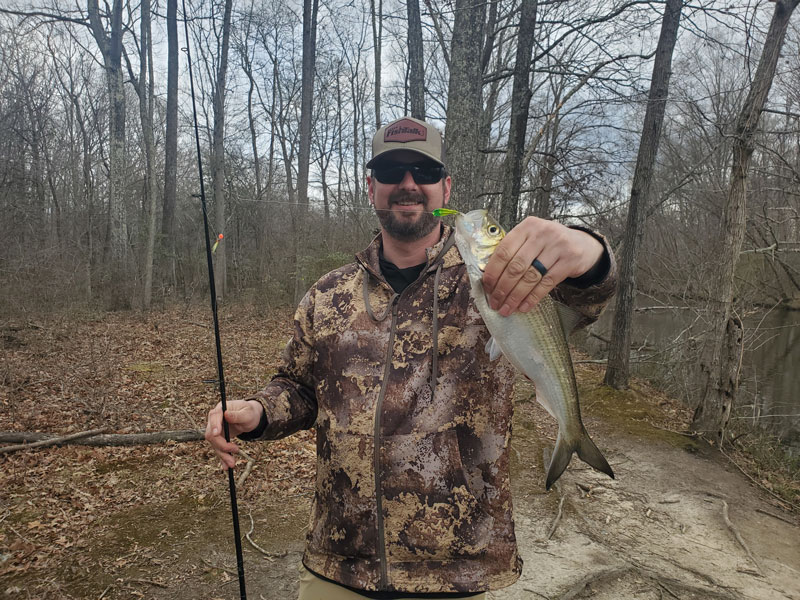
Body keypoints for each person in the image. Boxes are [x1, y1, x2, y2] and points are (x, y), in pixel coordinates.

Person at [205, 116, 617, 599]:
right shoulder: (328, 295)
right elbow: (297, 387)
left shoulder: (502, 282)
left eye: (422, 172)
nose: (407, 184)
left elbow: (585, 296)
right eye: (391, 171)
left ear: (445, 187)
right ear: (369, 187)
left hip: (457, 569)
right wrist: (255, 412)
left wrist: (589, 249)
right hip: (338, 564)